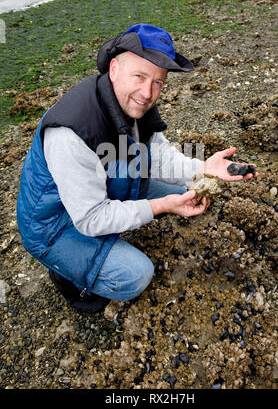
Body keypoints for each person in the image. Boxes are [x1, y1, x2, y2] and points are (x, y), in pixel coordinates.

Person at [17, 23, 257, 313]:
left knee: (184, 187)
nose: (148, 92)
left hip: (97, 190)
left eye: (158, 82)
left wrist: (203, 168)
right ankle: (68, 275)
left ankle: (113, 233)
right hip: (54, 224)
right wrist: (162, 206)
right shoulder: (72, 133)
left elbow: (160, 158)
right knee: (134, 276)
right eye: (140, 76)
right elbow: (91, 219)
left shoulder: (134, 106)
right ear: (115, 68)